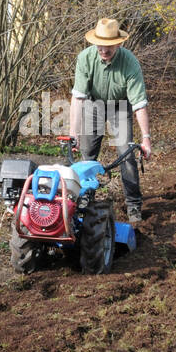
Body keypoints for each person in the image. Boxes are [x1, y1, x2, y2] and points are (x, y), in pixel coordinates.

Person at [69, 17, 151, 223]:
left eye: (108, 46)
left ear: (118, 43)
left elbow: (139, 103)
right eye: (100, 45)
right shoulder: (85, 58)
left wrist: (146, 138)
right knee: (87, 157)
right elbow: (78, 97)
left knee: (126, 155)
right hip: (93, 105)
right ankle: (86, 202)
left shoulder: (129, 62)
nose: (104, 50)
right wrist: (73, 131)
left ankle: (133, 205)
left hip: (121, 106)